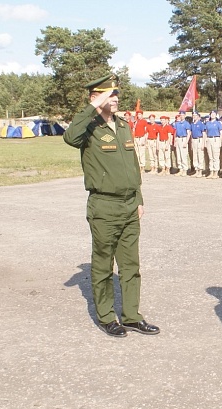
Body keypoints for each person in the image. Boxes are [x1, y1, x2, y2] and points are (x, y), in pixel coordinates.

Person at [62, 74, 159, 337]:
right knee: (103, 265)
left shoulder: (123, 125)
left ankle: (131, 316)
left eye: (116, 94)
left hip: (129, 205)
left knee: (130, 266)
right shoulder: (89, 126)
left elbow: (132, 166)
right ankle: (106, 317)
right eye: (108, 94)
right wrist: (93, 107)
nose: (115, 99)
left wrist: (138, 199)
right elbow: (69, 137)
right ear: (95, 98)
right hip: (104, 206)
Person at [205, 111, 222, 178]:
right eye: (211, 114)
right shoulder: (208, 123)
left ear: (216, 115)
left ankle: (216, 172)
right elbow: (206, 132)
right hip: (209, 139)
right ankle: (211, 171)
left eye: (214, 114)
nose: (212, 115)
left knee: (215, 157)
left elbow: (221, 133)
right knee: (210, 157)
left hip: (216, 139)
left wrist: (220, 142)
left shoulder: (218, 123)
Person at [190, 112, 206, 177]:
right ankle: (196, 170)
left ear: (198, 116)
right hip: (194, 140)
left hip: (199, 139)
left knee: (200, 155)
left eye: (195, 115)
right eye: (193, 115)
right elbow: (191, 134)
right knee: (195, 155)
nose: (194, 116)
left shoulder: (201, 124)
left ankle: (200, 171)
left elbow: (204, 134)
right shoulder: (192, 124)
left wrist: (203, 144)